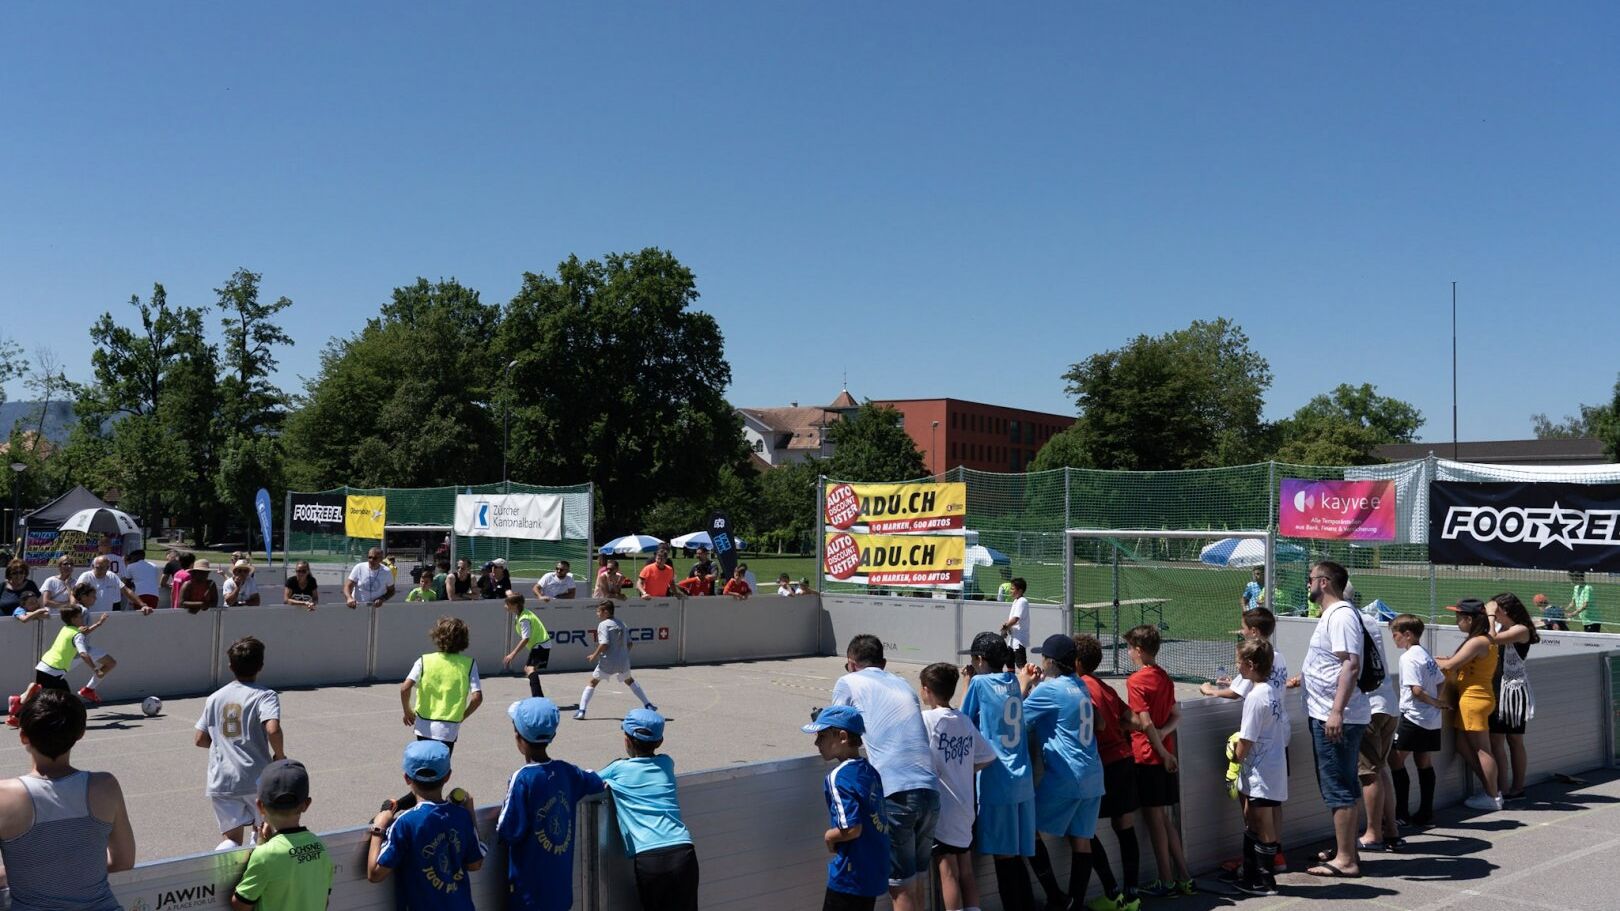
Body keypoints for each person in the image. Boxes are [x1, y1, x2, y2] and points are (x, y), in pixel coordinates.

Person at [830, 635, 939, 911]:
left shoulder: (849, 682)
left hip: (896, 791)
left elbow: (835, 727)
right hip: (928, 788)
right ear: (884, 662)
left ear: (851, 664)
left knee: (899, 886)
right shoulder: (902, 683)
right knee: (916, 881)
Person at [0, 690, 134, 911]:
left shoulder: (4, 795)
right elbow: (123, 861)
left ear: (23, 736)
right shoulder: (105, 786)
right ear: (80, 733)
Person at [1019, 634, 1106, 909]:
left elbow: (1014, 717)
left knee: (1028, 830)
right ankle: (1075, 904)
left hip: (1067, 777)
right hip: (1093, 775)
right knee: (1082, 841)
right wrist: (1039, 683)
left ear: (1051, 662)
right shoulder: (1080, 684)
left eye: (1043, 658)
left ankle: (1055, 897)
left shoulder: (1049, 690)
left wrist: (1024, 685)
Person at [497, 697, 606, 911]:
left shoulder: (523, 778)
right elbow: (596, 781)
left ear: (517, 736)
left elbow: (508, 830)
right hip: (560, 892)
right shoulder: (568, 772)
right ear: (553, 736)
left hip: (528, 894)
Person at [959, 632, 1038, 911]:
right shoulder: (1012, 682)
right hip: (1022, 779)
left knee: (1005, 860)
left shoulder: (979, 683)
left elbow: (962, 722)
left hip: (997, 780)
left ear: (979, 660)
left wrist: (967, 684)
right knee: (1016, 856)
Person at [1300, 560, 1369, 878]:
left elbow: (1351, 665)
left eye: (1310, 578)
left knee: (1338, 787)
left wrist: (1337, 711)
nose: (1308, 584)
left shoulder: (1340, 616)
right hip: (1332, 712)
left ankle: (1345, 860)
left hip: (1336, 715)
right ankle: (1349, 853)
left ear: (1324, 582)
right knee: (1344, 785)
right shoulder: (1335, 615)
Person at [599, 709, 702, 911]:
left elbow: (591, 780)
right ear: (659, 742)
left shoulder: (618, 769)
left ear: (627, 741)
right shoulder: (666, 762)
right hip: (684, 852)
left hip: (649, 858)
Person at [367, 741, 485, 910]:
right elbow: (475, 864)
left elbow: (375, 874)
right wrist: (469, 810)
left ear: (407, 778)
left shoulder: (405, 823)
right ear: (447, 776)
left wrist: (378, 828)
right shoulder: (461, 816)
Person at [195, 636, 284, 851]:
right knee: (263, 832)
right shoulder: (265, 695)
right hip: (255, 777)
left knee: (232, 840)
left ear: (230, 666)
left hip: (222, 779)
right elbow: (272, 728)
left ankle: (220, 876)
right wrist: (280, 756)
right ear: (261, 666)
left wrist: (225, 745)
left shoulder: (216, 697)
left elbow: (200, 739)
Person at [917, 663, 994, 911]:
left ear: (926, 690)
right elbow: (987, 756)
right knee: (966, 871)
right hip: (965, 808)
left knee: (947, 872)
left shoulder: (926, 720)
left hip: (943, 811)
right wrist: (961, 770)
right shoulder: (962, 720)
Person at [1076, 634, 1143, 911]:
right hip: (1125, 761)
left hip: (1104, 764)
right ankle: (1132, 894)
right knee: (1124, 826)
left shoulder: (1079, 687)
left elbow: (1096, 723)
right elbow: (1133, 720)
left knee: (1082, 830)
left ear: (1076, 661)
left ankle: (1112, 892)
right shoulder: (1105, 687)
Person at [803, 704, 891, 911]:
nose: (817, 743)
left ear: (842, 737)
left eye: (822, 736)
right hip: (873, 870)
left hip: (849, 877)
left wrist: (829, 837)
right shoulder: (869, 771)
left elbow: (851, 829)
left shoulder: (838, 778)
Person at [1125, 624, 1191, 895]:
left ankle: (1166, 880)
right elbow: (1175, 715)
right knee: (1164, 819)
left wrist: (1162, 752)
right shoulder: (1163, 677)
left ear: (1139, 651)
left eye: (1129, 648)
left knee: (1155, 822)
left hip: (1148, 757)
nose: (1128, 653)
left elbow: (1145, 721)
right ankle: (1184, 877)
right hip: (1163, 755)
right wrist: (1165, 740)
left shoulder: (1136, 681)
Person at [230, 759, 334, 911]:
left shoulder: (264, 855)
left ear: (260, 806)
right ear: (306, 804)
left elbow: (240, 904)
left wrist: (261, 846)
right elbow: (324, 900)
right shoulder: (320, 847)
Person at [1231, 638, 1288, 896]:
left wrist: (1234, 760)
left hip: (1262, 773)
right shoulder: (1271, 691)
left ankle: (1265, 882)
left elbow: (1247, 739)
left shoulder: (1255, 697)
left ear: (1251, 665)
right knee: (1254, 823)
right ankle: (1251, 874)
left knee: (1263, 825)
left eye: (1239, 662)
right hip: (1269, 768)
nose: (1237, 667)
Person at [1437, 598, 1501, 811]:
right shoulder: (1485, 639)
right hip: (1478, 698)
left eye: (1458, 617)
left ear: (1469, 619)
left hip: (1473, 700)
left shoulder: (1477, 641)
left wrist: (1423, 657)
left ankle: (1493, 796)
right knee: (1463, 746)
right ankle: (1490, 789)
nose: (1457, 621)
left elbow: (1450, 665)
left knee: (1483, 750)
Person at [1353, 582, 1402, 854]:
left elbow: (1349, 663)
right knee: (1380, 771)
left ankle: (1373, 834)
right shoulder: (1370, 619)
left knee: (1369, 774)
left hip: (1371, 707)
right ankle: (1390, 830)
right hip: (1388, 704)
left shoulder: (1347, 621)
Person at [10, 600, 108, 725]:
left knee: (48, 697)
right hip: (52, 671)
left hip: (44, 666)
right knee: (64, 698)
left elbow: (83, 632)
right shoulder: (77, 635)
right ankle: (67, 722)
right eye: (79, 616)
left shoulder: (67, 628)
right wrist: (95, 669)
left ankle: (18, 714)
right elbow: (83, 653)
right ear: (73, 619)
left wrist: (99, 623)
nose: (82, 618)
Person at [1388, 614, 1444, 827]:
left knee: (1395, 760)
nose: (1394, 639)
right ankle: (1426, 812)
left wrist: (1433, 702)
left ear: (1407, 635)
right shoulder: (1425, 653)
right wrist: (1437, 703)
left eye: (1395, 635)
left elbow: (1417, 690)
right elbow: (1441, 680)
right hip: (1430, 719)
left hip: (1414, 717)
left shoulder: (1409, 657)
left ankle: (1401, 813)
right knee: (1423, 761)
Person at [400, 616, 483, 752]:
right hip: (449, 727)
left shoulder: (424, 660)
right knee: (441, 766)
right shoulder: (469, 664)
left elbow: (405, 688)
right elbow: (477, 698)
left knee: (423, 762)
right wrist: (463, 715)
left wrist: (407, 711)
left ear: (437, 637)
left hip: (424, 723)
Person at [1487, 593, 1538, 801]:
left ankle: (1513, 787)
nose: (1494, 615)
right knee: (1497, 739)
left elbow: (1491, 639)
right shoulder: (1503, 627)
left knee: (1513, 740)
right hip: (1499, 688)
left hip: (1511, 691)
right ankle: (1504, 787)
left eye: (1497, 611)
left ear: (1505, 611)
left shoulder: (1520, 629)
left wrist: (1490, 616)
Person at [577, 600, 656, 719]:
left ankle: (581, 711)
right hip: (623, 661)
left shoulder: (603, 625)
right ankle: (648, 704)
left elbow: (604, 644)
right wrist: (622, 654)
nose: (597, 613)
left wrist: (594, 655)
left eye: (599, 611)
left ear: (606, 612)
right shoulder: (622, 623)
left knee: (592, 683)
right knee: (630, 681)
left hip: (607, 662)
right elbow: (630, 644)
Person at [503, 593, 552, 697]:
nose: (505, 606)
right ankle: (538, 697)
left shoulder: (524, 618)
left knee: (530, 669)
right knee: (529, 669)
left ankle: (538, 698)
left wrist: (512, 654)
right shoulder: (522, 614)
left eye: (507, 604)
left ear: (515, 605)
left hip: (541, 645)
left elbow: (526, 638)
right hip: (540, 645)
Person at [999, 578, 1030, 667]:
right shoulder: (1016, 601)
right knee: (1009, 662)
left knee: (1021, 665)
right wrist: (1006, 628)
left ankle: (1027, 679)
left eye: (1013, 588)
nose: (1010, 590)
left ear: (1020, 590)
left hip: (1019, 639)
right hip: (1013, 638)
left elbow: (1015, 619)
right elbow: (1012, 619)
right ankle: (1012, 680)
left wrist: (1005, 628)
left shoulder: (1022, 601)